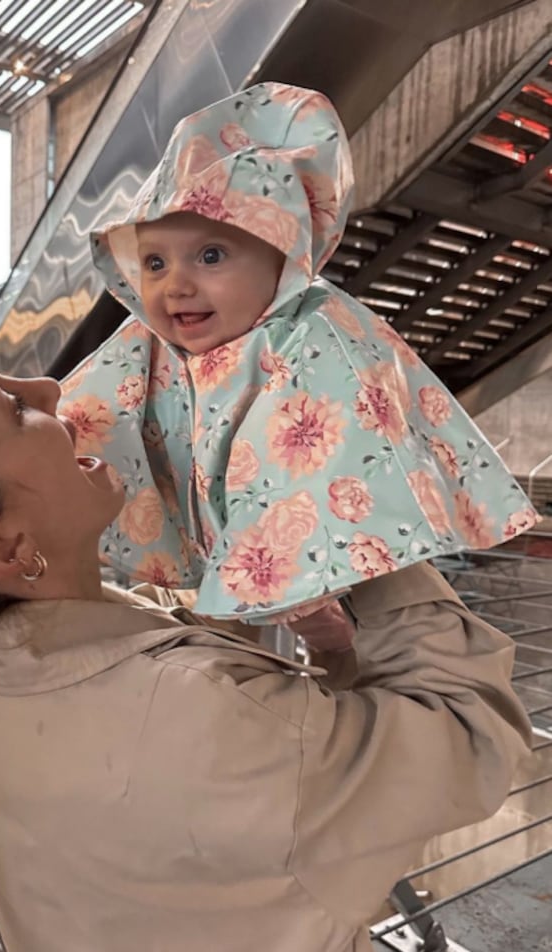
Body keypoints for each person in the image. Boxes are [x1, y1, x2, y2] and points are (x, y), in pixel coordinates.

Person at [0, 341, 532, 952]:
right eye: (12, 409)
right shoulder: (195, 713)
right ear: (5, 546)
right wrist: (354, 521)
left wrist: (337, 653)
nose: (46, 387)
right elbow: (475, 732)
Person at [60, 82, 539, 626]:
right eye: (154, 264)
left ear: (284, 259)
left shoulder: (311, 337)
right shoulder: (148, 347)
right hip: (219, 559)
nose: (175, 285)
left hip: (319, 567)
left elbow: (321, 458)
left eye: (210, 255)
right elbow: (84, 418)